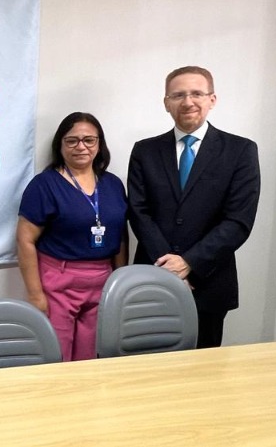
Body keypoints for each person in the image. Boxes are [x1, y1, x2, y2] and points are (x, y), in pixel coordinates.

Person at [128, 65, 261, 348]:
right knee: (145, 371)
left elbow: (238, 220)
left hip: (208, 283)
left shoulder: (240, 151)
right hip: (152, 278)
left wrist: (189, 263)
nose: (188, 102)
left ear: (212, 99)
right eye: (178, 95)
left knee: (202, 378)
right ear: (166, 103)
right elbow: (139, 212)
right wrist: (168, 267)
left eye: (197, 93)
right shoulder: (145, 151)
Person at [16, 112, 128, 361]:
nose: (81, 147)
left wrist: (120, 281)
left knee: (92, 355)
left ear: (99, 144)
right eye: (72, 141)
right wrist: (35, 295)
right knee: (58, 355)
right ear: (60, 145)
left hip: (102, 280)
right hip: (58, 281)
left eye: (89, 140)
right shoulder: (44, 185)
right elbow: (25, 240)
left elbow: (121, 235)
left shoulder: (112, 184)